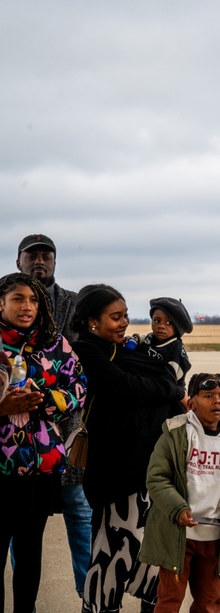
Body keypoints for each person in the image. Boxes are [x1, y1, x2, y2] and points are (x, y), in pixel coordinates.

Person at [72, 284, 186, 613]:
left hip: (148, 471)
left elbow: (162, 378)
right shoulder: (87, 351)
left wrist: (167, 387)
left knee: (151, 559)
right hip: (116, 474)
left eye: (126, 316)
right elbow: (124, 387)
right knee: (110, 561)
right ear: (93, 321)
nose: (124, 323)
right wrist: (169, 389)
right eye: (115, 317)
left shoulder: (128, 352)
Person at [0, 272, 86, 613]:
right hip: (1, 469)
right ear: (1, 303)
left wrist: (46, 400)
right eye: (18, 299)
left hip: (40, 466)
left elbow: (79, 387)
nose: (27, 306)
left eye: (34, 300)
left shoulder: (54, 344)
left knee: (29, 551)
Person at [140, 372, 220, 613]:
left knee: (210, 601)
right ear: (191, 402)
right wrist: (178, 509)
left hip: (215, 537)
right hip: (179, 535)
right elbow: (157, 478)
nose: (217, 401)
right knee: (170, 600)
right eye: (208, 396)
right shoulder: (175, 434)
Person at [15, 233, 92, 597]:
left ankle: (89, 597)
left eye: (46, 256)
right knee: (21, 528)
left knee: (79, 514)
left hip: (67, 434)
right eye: (31, 256)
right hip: (16, 444)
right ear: (19, 262)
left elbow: (82, 366)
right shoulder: (6, 301)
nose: (39, 262)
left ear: (55, 263)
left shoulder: (75, 305)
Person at [131, 297, 193, 387]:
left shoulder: (176, 350)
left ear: (177, 328)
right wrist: (134, 339)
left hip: (167, 391)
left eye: (169, 323)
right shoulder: (151, 337)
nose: (161, 326)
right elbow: (142, 339)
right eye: (157, 321)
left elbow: (170, 381)